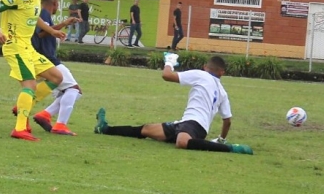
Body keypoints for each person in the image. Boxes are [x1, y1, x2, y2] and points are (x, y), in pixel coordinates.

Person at [94, 53, 253, 155]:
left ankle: (231, 149)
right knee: (146, 129)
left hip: (194, 125)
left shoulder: (201, 75)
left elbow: (166, 75)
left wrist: (169, 61)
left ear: (205, 67)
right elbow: (227, 120)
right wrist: (221, 138)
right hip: (185, 123)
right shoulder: (223, 92)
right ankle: (105, 129)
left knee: (182, 143)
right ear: (222, 72)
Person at [0, 0, 66, 142]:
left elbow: (34, 17)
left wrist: (52, 31)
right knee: (29, 85)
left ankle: (24, 105)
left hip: (27, 47)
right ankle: (20, 128)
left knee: (56, 77)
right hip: (15, 46)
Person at [30, 0, 83, 136]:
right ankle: (60, 125)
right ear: (54, 2)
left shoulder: (39, 13)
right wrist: (63, 24)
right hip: (48, 60)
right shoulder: (43, 13)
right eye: (58, 3)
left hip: (45, 59)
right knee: (74, 89)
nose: (58, 6)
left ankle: (45, 115)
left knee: (68, 91)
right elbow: (41, 33)